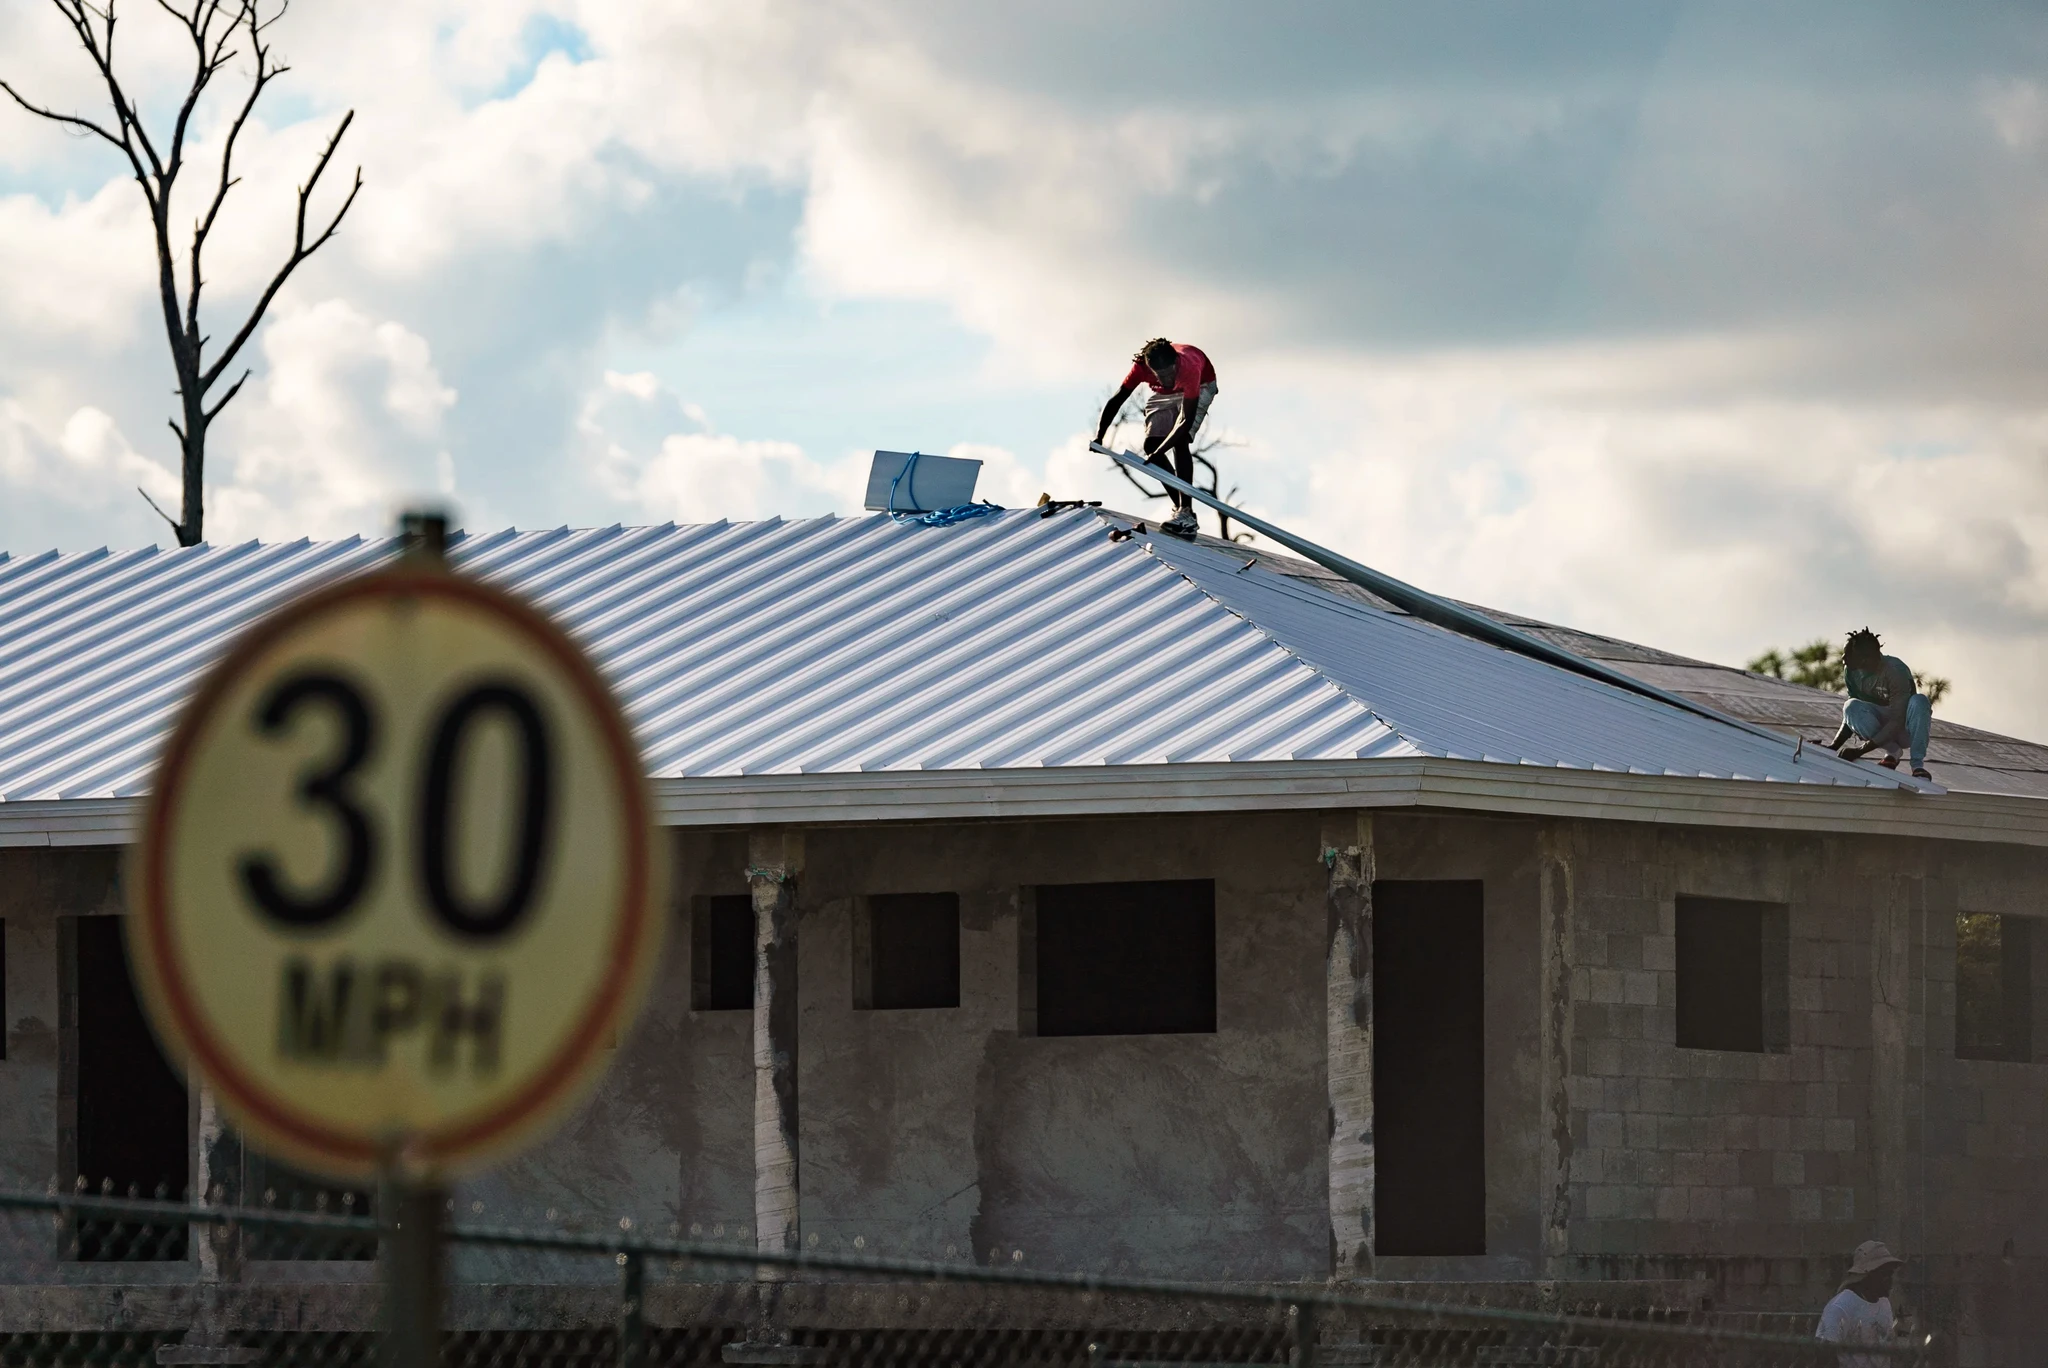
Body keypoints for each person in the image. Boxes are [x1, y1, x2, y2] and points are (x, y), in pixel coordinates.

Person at [1095, 337, 1219, 538]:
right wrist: (1100, 436)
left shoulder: (1189, 368)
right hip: (1163, 394)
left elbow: (1185, 421)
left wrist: (1160, 451)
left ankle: (1186, 512)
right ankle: (1181, 508)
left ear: (1176, 363)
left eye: (1170, 373)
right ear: (1151, 370)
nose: (1168, 378)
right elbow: (1117, 400)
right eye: (1161, 375)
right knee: (1150, 443)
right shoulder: (1141, 368)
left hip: (1201, 385)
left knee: (1180, 441)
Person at [1823, 629, 1934, 781]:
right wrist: (1834, 746)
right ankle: (1892, 752)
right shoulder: (1851, 671)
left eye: (1850, 655)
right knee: (1850, 706)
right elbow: (1852, 715)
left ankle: (1917, 766)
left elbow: (1897, 719)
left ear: (1865, 659)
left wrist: (1860, 751)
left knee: (1920, 701)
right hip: (1881, 728)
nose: (1844, 659)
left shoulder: (1895, 670)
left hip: (1904, 729)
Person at [1816, 1240, 1903, 1368]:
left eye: (1891, 1274)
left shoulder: (1884, 1304)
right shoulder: (1841, 1307)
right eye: (1885, 1274)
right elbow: (1824, 1355)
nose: (1891, 1281)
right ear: (1867, 1275)